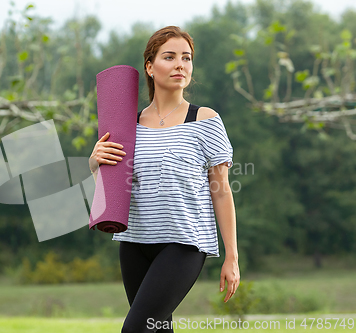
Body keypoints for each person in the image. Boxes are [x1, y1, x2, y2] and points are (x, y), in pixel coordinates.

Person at [88, 26, 239, 333]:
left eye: (186, 58)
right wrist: (95, 165)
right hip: (134, 243)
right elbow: (117, 186)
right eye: (169, 57)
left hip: (184, 244)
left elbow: (221, 192)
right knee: (156, 329)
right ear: (150, 66)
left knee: (134, 329)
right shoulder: (127, 124)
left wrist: (232, 257)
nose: (180, 64)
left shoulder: (205, 121)